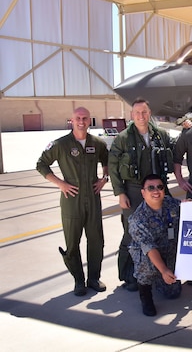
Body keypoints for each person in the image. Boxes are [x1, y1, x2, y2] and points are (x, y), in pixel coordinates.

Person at [36, 107, 109, 296]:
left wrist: (104, 178)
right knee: (72, 241)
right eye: (78, 118)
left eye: (85, 118)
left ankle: (93, 278)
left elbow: (107, 160)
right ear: (72, 120)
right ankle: (78, 280)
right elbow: (41, 164)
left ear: (89, 120)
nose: (81, 121)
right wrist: (60, 183)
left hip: (93, 197)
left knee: (96, 240)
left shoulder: (98, 143)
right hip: (71, 198)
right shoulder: (60, 144)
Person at [108, 97, 174, 292]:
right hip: (134, 191)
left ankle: (161, 272)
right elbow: (113, 167)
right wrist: (120, 192)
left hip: (158, 191)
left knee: (164, 232)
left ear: (149, 113)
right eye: (137, 113)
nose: (141, 116)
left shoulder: (161, 135)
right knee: (131, 234)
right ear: (131, 115)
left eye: (144, 112)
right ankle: (128, 276)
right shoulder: (122, 138)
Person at [129, 174, 182, 316]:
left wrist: (191, 207)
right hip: (148, 255)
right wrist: (164, 270)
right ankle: (145, 295)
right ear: (143, 192)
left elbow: (186, 209)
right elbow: (149, 247)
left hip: (169, 250)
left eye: (159, 187)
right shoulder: (138, 219)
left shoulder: (172, 204)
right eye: (150, 188)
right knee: (146, 265)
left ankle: (161, 279)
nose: (156, 191)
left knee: (172, 293)